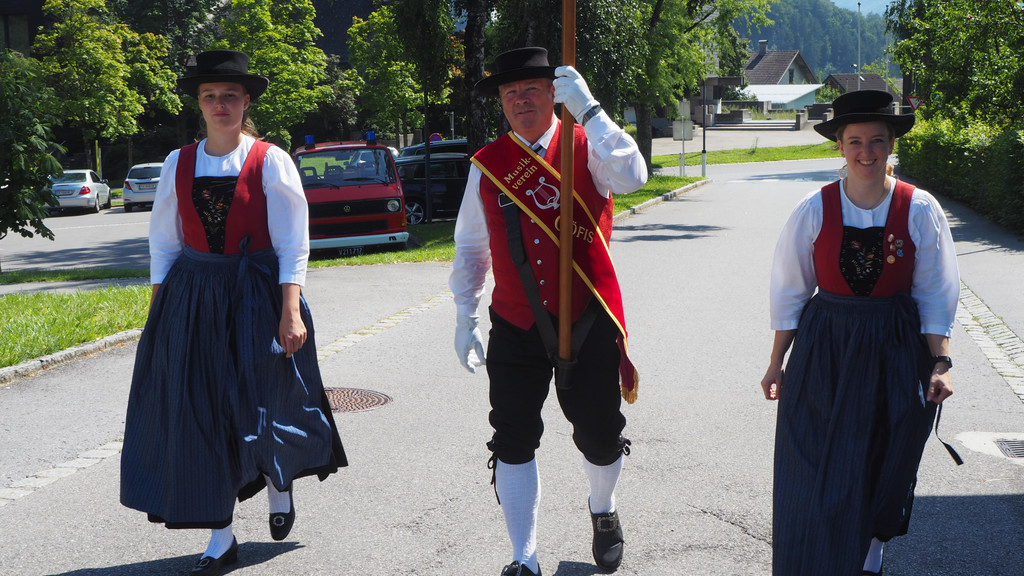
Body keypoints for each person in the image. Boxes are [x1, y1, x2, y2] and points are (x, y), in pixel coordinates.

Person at [120, 50, 346, 576]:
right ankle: (221, 535)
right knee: (202, 409)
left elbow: (292, 242)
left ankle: (278, 482)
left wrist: (290, 310)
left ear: (245, 102)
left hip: (258, 292)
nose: (219, 104)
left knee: (268, 399)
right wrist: (160, 311)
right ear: (199, 104)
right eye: (209, 96)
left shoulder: (271, 159)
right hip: (193, 296)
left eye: (229, 96)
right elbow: (164, 243)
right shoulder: (178, 162)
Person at [450, 47, 648, 576]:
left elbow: (634, 176)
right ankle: (525, 557)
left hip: (587, 318)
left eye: (532, 89)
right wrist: (466, 316)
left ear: (554, 93)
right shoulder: (489, 165)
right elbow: (471, 248)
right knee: (512, 438)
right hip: (515, 324)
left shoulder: (588, 145)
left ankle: (603, 509)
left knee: (600, 434)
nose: (520, 100)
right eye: (510, 92)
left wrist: (590, 110)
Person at [759, 90, 960, 576]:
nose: (866, 152)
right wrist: (776, 362)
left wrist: (940, 362)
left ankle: (869, 564)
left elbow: (935, 292)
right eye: (855, 141)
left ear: (891, 144)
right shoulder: (814, 208)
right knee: (812, 460)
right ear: (840, 146)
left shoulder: (919, 208)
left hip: (894, 345)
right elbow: (790, 291)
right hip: (826, 347)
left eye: (876, 141)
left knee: (885, 460)